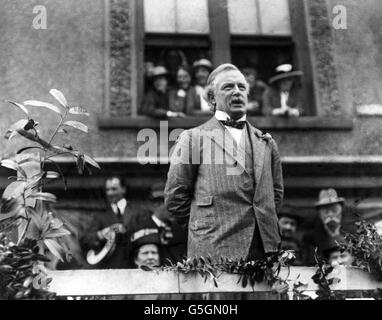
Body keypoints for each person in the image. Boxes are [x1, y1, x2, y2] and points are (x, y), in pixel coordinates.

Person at [165, 63, 283, 262]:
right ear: (212, 98)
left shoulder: (266, 142)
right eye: (228, 87)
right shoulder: (193, 138)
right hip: (214, 254)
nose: (237, 92)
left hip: (263, 253)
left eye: (242, 87)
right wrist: (204, 227)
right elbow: (175, 198)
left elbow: (275, 196)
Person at [81, 176, 143, 269]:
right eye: (107, 190)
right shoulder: (100, 216)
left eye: (114, 189)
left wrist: (126, 230)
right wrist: (101, 234)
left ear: (123, 189)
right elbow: (85, 240)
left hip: (134, 266)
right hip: (110, 268)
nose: (110, 193)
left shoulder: (138, 212)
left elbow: (145, 235)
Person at [302, 188, 347, 265]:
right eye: (326, 211)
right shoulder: (310, 238)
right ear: (320, 215)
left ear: (341, 211)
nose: (330, 214)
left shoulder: (352, 233)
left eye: (334, 210)